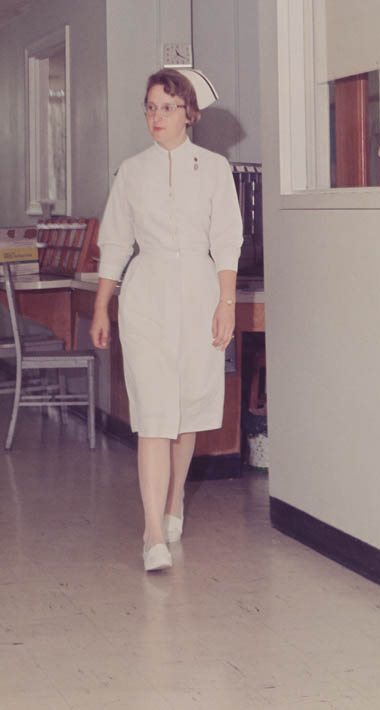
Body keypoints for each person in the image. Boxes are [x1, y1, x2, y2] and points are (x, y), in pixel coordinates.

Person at [90, 68, 243, 572]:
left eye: (168, 107)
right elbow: (113, 243)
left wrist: (226, 304)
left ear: (189, 113)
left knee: (187, 409)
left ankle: (176, 498)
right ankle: (153, 532)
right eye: (151, 107)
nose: (157, 117)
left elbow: (226, 241)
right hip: (147, 296)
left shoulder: (216, 169)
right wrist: (101, 306)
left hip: (200, 294)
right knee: (154, 413)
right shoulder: (131, 172)